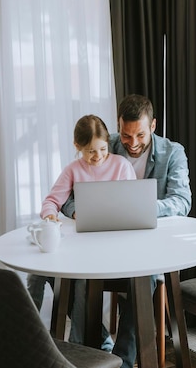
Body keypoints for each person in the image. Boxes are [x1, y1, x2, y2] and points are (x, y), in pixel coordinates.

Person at [61, 94, 192, 368]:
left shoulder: (173, 152)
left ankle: (121, 361)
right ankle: (96, 349)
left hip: (150, 246)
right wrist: (77, 210)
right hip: (104, 244)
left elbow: (182, 201)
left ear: (153, 125)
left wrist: (141, 208)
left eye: (140, 135)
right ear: (117, 127)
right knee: (66, 274)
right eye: (125, 135)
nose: (132, 143)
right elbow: (69, 196)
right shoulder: (102, 146)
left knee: (142, 281)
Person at [26, 114, 136, 350]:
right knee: (36, 274)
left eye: (103, 149)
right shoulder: (73, 170)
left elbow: (131, 206)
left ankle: (79, 347)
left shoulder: (121, 166)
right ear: (78, 147)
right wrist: (50, 215)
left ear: (108, 143)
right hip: (82, 245)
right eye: (90, 152)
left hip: (113, 246)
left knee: (80, 280)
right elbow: (51, 201)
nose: (97, 157)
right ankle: (27, 335)